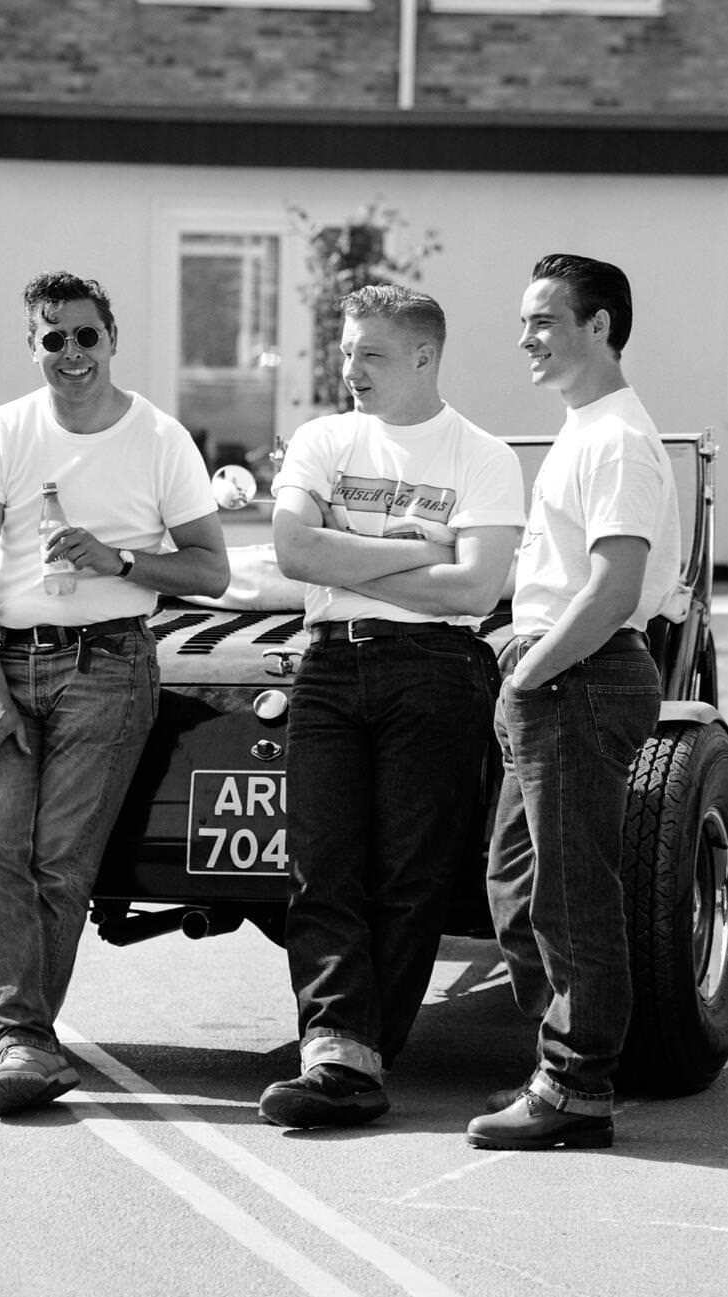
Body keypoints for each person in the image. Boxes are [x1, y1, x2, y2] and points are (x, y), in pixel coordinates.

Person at [0, 270, 229, 1117]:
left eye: (85, 335)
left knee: (60, 864)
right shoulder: (4, 432)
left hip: (108, 666)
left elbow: (211, 569)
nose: (71, 353)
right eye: (52, 338)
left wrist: (119, 561)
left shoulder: (160, 439)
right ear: (32, 346)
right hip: (6, 662)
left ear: (111, 338)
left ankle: (11, 1042)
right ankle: (14, 1040)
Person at [258, 284, 526, 1129]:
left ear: (422, 356)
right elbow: (292, 548)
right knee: (320, 862)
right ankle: (340, 1049)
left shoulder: (480, 455)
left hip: (440, 666)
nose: (350, 370)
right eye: (345, 351)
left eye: (369, 354)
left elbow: (479, 584)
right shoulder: (323, 437)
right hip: (331, 663)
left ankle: (357, 1054)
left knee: (410, 873)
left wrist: (348, 557)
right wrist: (414, 549)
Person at [466, 254, 681, 1152]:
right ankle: (568, 1056)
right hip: (561, 673)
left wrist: (526, 669)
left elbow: (610, 587)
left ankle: (576, 1083)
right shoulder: (586, 431)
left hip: (581, 678)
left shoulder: (618, 439)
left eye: (544, 321)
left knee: (569, 896)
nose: (525, 338)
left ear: (598, 327)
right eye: (523, 322)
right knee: (517, 887)